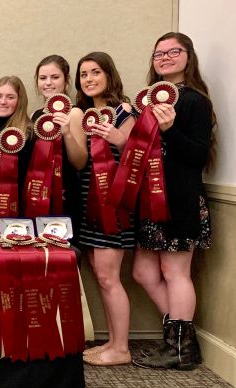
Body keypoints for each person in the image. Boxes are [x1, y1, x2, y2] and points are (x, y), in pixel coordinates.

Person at [132, 33, 215, 370]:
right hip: (151, 202)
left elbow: (197, 155)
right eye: (158, 54)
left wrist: (169, 129)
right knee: (142, 271)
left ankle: (178, 348)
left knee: (175, 271)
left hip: (181, 200)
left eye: (173, 52)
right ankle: (182, 341)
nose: (165, 58)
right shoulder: (147, 102)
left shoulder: (196, 101)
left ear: (188, 56)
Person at [71, 53, 137, 367]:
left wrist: (118, 138)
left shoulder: (124, 110)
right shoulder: (84, 114)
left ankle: (121, 348)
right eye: (84, 74)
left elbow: (139, 154)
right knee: (101, 276)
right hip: (90, 203)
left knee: (110, 277)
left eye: (96, 72)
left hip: (115, 206)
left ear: (109, 75)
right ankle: (113, 341)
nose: (89, 79)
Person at [31, 56, 86, 233]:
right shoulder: (34, 115)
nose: (48, 83)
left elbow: (80, 162)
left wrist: (67, 132)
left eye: (55, 77)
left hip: (65, 195)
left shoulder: (75, 112)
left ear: (66, 81)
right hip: (38, 195)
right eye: (42, 78)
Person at [0, 76, 35, 214]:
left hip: (19, 210)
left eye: (10, 97)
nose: (3, 102)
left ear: (20, 101)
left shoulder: (29, 134)